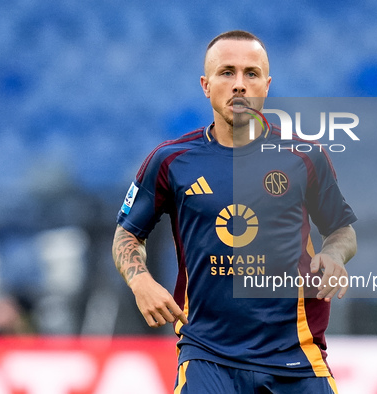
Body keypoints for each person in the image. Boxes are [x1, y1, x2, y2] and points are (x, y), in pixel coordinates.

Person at [112, 30, 357, 394]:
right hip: (209, 356)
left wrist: (334, 255)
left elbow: (341, 229)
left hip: (297, 357)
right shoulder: (170, 160)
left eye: (251, 74)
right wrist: (140, 281)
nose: (239, 85)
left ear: (267, 85)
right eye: (227, 72)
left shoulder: (305, 156)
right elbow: (127, 232)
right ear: (206, 84)